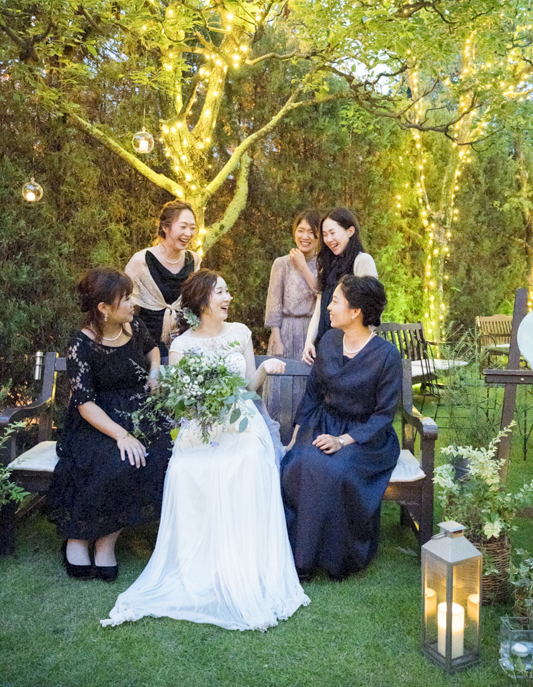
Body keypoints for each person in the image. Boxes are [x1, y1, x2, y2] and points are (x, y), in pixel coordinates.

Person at [101, 270, 309, 631]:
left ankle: (243, 565)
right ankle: (199, 569)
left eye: (228, 290)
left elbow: (247, 388)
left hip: (241, 421)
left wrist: (264, 369)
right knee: (185, 469)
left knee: (248, 460)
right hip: (200, 425)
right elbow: (183, 403)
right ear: (201, 301)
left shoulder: (240, 333)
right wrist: (201, 403)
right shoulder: (182, 344)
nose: (228, 298)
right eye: (220, 292)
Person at [47, 268, 172, 581]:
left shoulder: (134, 325)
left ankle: (106, 542)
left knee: (151, 457)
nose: (133, 303)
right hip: (97, 420)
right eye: (126, 298)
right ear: (103, 308)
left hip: (138, 413)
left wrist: (154, 371)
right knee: (115, 460)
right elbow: (84, 403)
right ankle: (77, 536)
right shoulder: (81, 343)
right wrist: (121, 435)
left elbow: (153, 350)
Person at [281, 275, 401, 581]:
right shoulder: (330, 341)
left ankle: (337, 559)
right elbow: (313, 393)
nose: (329, 308)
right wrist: (295, 436)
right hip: (324, 423)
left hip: (366, 439)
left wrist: (343, 441)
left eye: (335, 301)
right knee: (297, 464)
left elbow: (383, 416)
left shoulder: (387, 356)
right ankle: (298, 555)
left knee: (335, 470)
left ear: (356, 311)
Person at [263, 209, 320, 423]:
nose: (305, 236)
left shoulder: (323, 263)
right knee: (278, 388)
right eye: (301, 230)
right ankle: (276, 436)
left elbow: (321, 292)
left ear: (319, 236)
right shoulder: (281, 263)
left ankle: (302, 436)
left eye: (311, 232)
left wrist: (303, 266)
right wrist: (276, 339)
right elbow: (273, 303)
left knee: (306, 389)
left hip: (310, 333)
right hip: (285, 331)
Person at [302, 207, 377, 365]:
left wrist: (361, 350)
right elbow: (319, 310)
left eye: (332, 232)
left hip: (351, 350)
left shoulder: (362, 261)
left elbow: (371, 309)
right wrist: (309, 341)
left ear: (350, 231)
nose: (328, 239)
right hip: (325, 346)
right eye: (324, 234)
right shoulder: (326, 266)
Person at [125, 200, 201, 356]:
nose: (188, 233)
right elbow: (123, 304)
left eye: (192, 228)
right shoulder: (141, 261)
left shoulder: (194, 261)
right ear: (165, 227)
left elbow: (197, 305)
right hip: (146, 347)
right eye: (183, 226)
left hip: (184, 347)